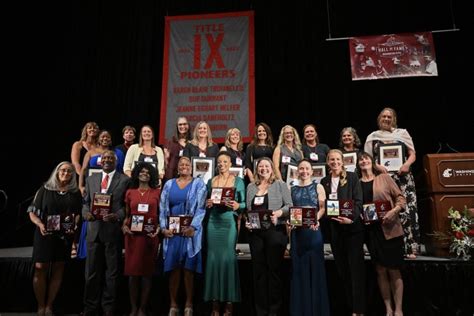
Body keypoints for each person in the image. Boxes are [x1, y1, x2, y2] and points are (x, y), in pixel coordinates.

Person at [364, 107, 420, 258]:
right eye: (384, 116)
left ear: (393, 119)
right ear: (379, 119)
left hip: (403, 177)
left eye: (389, 117)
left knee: (406, 210)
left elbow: (412, 153)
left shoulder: (402, 133)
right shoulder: (372, 136)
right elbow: (367, 158)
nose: (386, 119)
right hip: (383, 178)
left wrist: (407, 164)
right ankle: (391, 247)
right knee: (386, 210)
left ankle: (410, 247)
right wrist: (376, 166)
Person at [27, 161, 82, 316]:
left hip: (64, 235)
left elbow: (77, 213)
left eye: (69, 171)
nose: (66, 173)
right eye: (63, 170)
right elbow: (32, 211)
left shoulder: (75, 192)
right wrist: (39, 224)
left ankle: (49, 306)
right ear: (57, 172)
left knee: (58, 268)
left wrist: (75, 224)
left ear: (72, 175)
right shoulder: (45, 189)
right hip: (44, 234)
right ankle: (40, 306)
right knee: (40, 268)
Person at [82, 150, 130, 315]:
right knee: (91, 273)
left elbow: (127, 206)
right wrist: (86, 213)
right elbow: (85, 203)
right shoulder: (91, 179)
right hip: (94, 231)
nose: (107, 160)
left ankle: (108, 309)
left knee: (112, 273)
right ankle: (90, 308)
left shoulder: (124, 180)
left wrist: (117, 215)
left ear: (116, 162)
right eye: (105, 158)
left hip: (112, 231)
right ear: (100, 161)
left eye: (111, 158)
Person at [358, 152, 406, 316]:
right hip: (371, 232)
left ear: (372, 162)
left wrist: (394, 211)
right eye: (361, 159)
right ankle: (388, 309)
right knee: (380, 270)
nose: (363, 161)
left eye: (366, 158)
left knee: (394, 270)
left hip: (390, 229)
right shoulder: (356, 183)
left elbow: (401, 198)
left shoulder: (384, 177)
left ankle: (398, 309)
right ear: (358, 164)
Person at [160, 156, 207, 316]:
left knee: (188, 269)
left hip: (190, 233)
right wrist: (163, 228)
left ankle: (188, 304)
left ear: (191, 168)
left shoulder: (199, 184)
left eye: (187, 164)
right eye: (181, 164)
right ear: (177, 168)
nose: (184, 166)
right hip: (172, 233)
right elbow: (162, 208)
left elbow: (201, 208)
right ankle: (173, 304)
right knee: (174, 268)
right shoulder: (168, 184)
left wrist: (193, 227)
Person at [320, 149, 365, 316]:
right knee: (343, 271)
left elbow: (359, 202)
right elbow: (324, 206)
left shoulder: (352, 177)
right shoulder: (324, 181)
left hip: (352, 229)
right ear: (327, 162)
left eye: (338, 159)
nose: (335, 162)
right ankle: (351, 307)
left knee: (356, 271)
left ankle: (359, 310)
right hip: (335, 231)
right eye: (332, 159)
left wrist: (351, 219)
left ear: (343, 161)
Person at [246, 157, 292, 316]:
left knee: (274, 272)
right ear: (257, 169)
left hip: (275, 232)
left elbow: (289, 206)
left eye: (267, 166)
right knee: (258, 273)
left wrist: (278, 213)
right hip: (256, 234)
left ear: (272, 168)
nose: (263, 169)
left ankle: (274, 310)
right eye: (260, 166)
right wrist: (248, 222)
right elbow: (249, 210)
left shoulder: (280, 184)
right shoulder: (251, 187)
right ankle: (261, 311)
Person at [204, 151, 246, 315]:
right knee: (213, 259)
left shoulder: (238, 181)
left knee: (228, 259)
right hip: (213, 222)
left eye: (225, 162)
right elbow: (208, 201)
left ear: (230, 164)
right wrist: (207, 202)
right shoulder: (211, 181)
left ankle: (229, 304)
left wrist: (238, 206)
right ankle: (215, 304)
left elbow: (244, 204)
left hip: (228, 222)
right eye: (219, 162)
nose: (222, 165)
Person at [290, 159, 329, 316]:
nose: (304, 171)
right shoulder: (292, 189)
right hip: (297, 234)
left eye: (307, 168)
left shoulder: (318, 186)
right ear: (297, 171)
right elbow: (291, 211)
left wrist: (316, 219)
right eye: (301, 168)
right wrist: (290, 223)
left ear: (312, 171)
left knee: (316, 270)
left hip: (313, 232)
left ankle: (317, 310)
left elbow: (322, 208)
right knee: (298, 272)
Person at [122, 163, 161, 316]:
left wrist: (158, 229)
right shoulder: (129, 193)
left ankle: (142, 308)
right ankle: (133, 307)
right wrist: (124, 227)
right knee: (132, 275)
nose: (144, 174)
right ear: (137, 174)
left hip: (150, 237)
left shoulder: (157, 192)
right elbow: (126, 217)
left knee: (147, 274)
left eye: (147, 172)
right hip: (133, 237)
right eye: (141, 171)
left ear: (151, 175)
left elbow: (160, 214)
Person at [164, 117, 192, 183]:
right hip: (172, 175)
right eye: (180, 124)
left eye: (185, 124)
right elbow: (166, 161)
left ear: (188, 126)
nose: (182, 126)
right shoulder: (170, 142)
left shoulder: (193, 142)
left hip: (188, 176)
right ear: (177, 126)